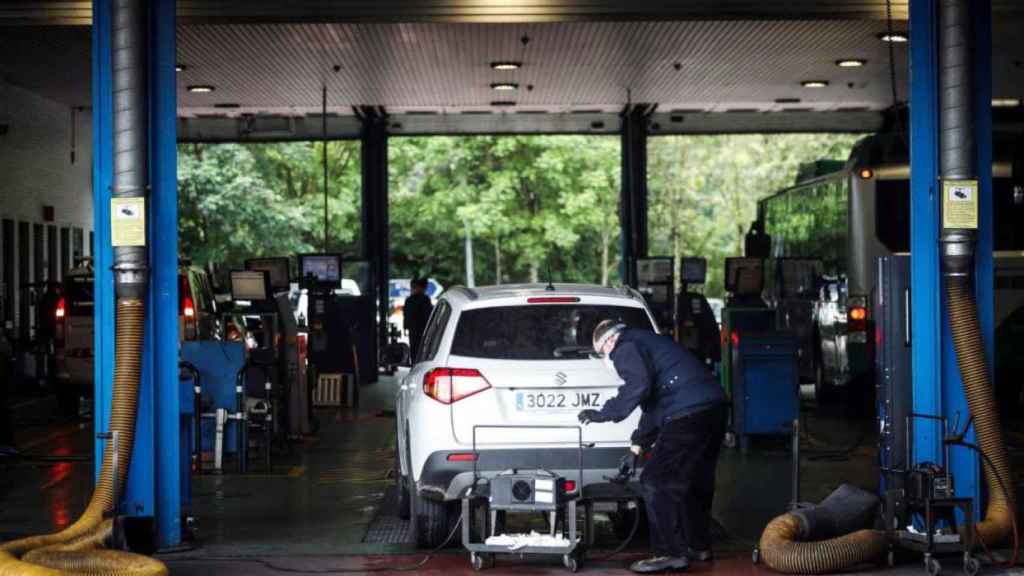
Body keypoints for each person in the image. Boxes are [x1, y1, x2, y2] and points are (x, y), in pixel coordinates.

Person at [578, 320, 727, 574]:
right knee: (694, 480)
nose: (607, 359)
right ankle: (697, 545)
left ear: (610, 341)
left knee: (656, 480)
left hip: (686, 414)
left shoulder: (625, 346)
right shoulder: (651, 342)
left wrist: (605, 413)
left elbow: (638, 385)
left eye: (603, 353)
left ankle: (669, 552)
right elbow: (654, 405)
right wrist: (636, 447)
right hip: (713, 408)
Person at [403, 277, 433, 362]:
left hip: (413, 329)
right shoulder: (425, 299)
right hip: (423, 328)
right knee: (422, 348)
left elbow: (406, 315)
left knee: (414, 348)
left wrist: (405, 327)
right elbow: (429, 314)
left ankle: (414, 363)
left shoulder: (409, 300)